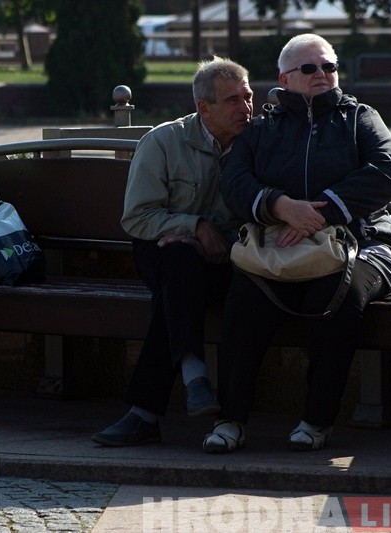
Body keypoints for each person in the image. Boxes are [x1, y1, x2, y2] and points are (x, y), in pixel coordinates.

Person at [203, 34, 391, 453]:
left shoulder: (360, 118)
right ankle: (231, 419)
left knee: (340, 295)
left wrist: (321, 212)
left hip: (363, 242)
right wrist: (279, 206)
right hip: (278, 244)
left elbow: (387, 172)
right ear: (285, 78)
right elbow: (235, 182)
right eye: (309, 68)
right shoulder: (262, 129)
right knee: (243, 297)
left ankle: (316, 420)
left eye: (329, 66)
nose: (322, 75)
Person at [91, 57, 254, 447]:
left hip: (230, 259)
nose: (245, 108)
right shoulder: (164, 142)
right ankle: (193, 374)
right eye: (232, 100)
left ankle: (146, 412)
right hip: (164, 255)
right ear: (204, 108)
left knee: (176, 294)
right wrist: (194, 228)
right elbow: (137, 218)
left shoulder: (255, 144)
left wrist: (221, 242)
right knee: (180, 261)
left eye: (248, 96)